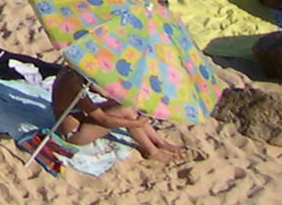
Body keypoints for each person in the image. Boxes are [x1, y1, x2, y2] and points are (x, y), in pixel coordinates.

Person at [49, 64, 188, 163]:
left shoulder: (73, 70)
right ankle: (152, 151)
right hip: (73, 134)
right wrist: (136, 123)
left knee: (128, 106)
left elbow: (101, 91)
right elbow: (103, 119)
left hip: (80, 117)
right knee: (126, 112)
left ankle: (159, 142)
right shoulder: (72, 83)